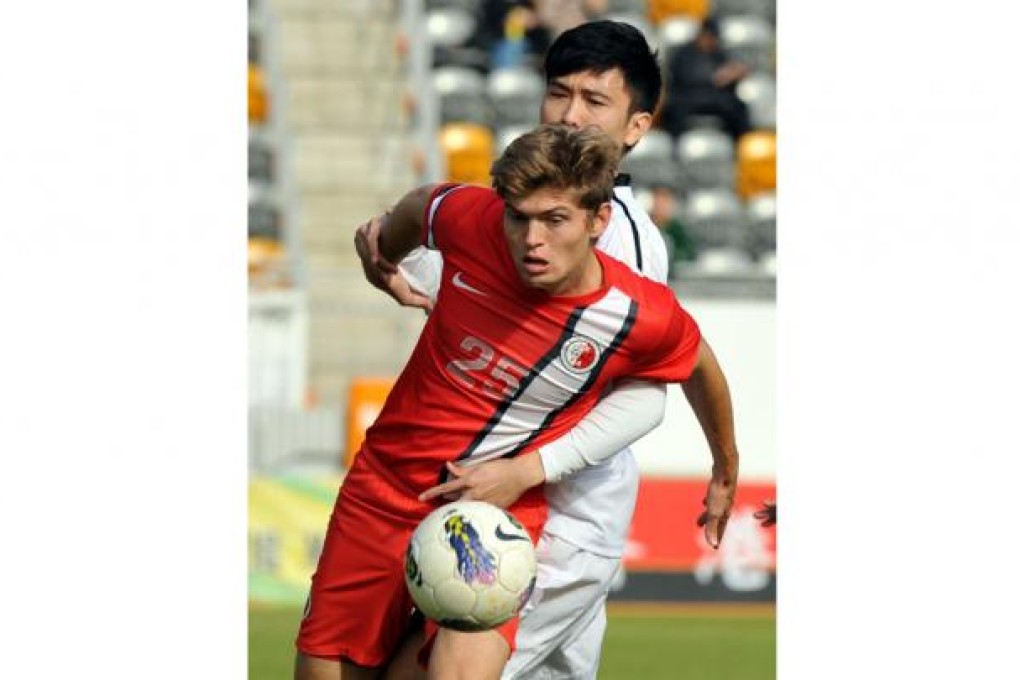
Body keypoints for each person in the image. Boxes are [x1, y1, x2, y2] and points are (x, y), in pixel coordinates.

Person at [358, 21, 740, 680]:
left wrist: (527, 471)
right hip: (478, 496)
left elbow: (645, 397)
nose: (570, 114)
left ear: (636, 127)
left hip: (564, 517)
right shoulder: (519, 212)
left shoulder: (626, 241)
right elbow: (435, 268)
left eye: (595, 101)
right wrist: (385, 253)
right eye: (558, 93)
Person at [662, 16, 752, 143]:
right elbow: (681, 77)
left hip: (715, 97)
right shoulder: (684, 53)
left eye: (714, 38)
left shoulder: (718, 53)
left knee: (738, 107)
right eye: (709, 36)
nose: (711, 41)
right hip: (688, 96)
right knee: (673, 110)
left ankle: (740, 146)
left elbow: (730, 74)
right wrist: (715, 77)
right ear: (701, 34)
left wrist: (733, 75)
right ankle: (675, 148)